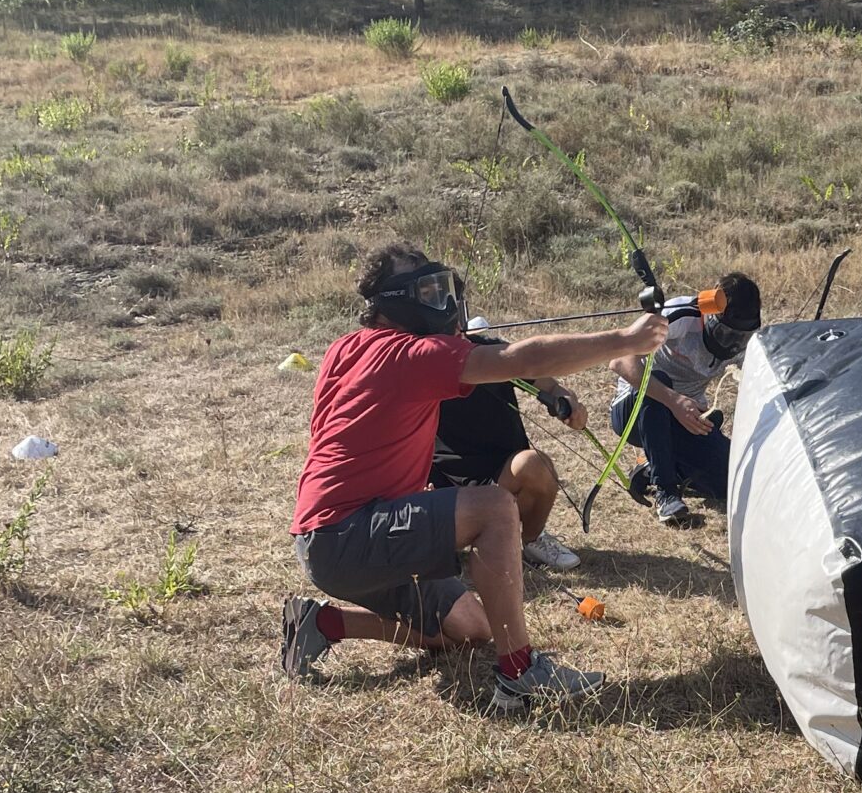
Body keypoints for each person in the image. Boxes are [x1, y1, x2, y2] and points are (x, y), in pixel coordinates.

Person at [281, 242, 665, 713]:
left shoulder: (347, 346)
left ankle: (322, 624)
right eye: (425, 289)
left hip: (330, 539)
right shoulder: (408, 354)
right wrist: (626, 341)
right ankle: (521, 673)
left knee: (472, 629)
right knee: (493, 506)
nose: (441, 300)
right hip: (346, 536)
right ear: (394, 300)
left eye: (442, 287)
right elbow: (521, 361)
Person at [610, 270, 763, 527]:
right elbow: (620, 361)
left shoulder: (745, 341)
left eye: (741, 337)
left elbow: (760, 382)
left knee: (731, 484)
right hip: (634, 411)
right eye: (727, 333)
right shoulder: (678, 315)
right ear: (710, 312)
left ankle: (652, 467)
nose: (734, 344)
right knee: (658, 378)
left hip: (686, 417)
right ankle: (666, 492)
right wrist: (673, 400)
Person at [428, 335, 586, 573]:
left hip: (502, 475)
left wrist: (565, 401)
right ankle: (442, 545)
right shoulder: (416, 361)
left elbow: (547, 383)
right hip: (445, 488)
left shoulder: (491, 351)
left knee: (534, 465)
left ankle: (532, 540)